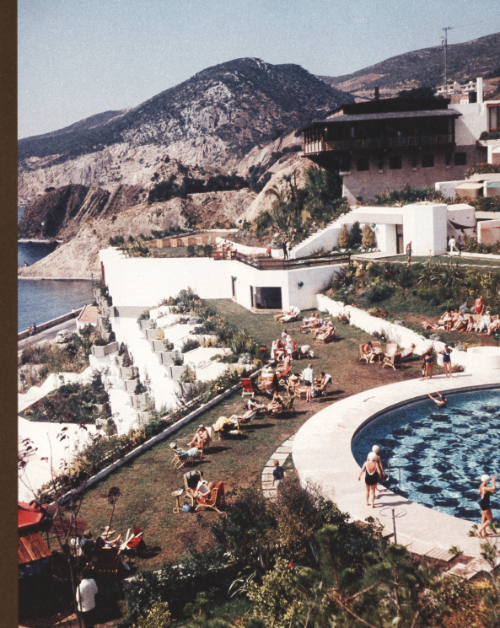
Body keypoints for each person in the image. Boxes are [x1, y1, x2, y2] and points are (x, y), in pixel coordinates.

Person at [478, 474, 496, 538]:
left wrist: (488, 492)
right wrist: (493, 480)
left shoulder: (481, 485)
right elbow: (493, 488)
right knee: (490, 520)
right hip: (485, 504)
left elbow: (479, 492)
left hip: (482, 503)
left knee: (483, 519)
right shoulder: (485, 488)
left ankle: (484, 533)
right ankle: (479, 531)